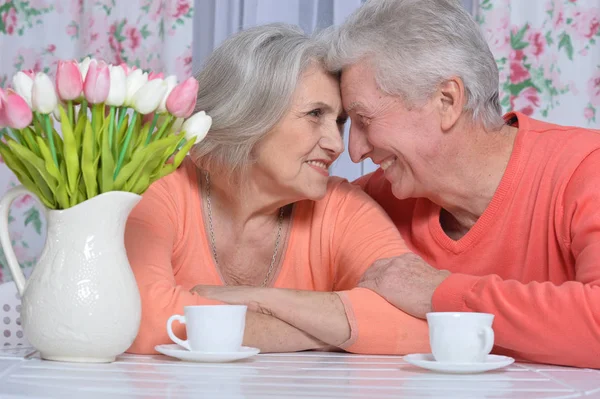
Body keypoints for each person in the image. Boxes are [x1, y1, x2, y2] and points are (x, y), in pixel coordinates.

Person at [325, 0, 600, 368]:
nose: (354, 151)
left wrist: (437, 292)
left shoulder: (585, 170)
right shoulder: (371, 202)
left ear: (447, 100)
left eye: (363, 119)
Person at [125, 24, 429, 355]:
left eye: (339, 122)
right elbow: (139, 320)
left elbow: (420, 325)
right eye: (315, 114)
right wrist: (330, 330)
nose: (336, 145)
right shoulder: (159, 182)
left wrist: (262, 299)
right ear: (250, 114)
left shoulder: (343, 207)